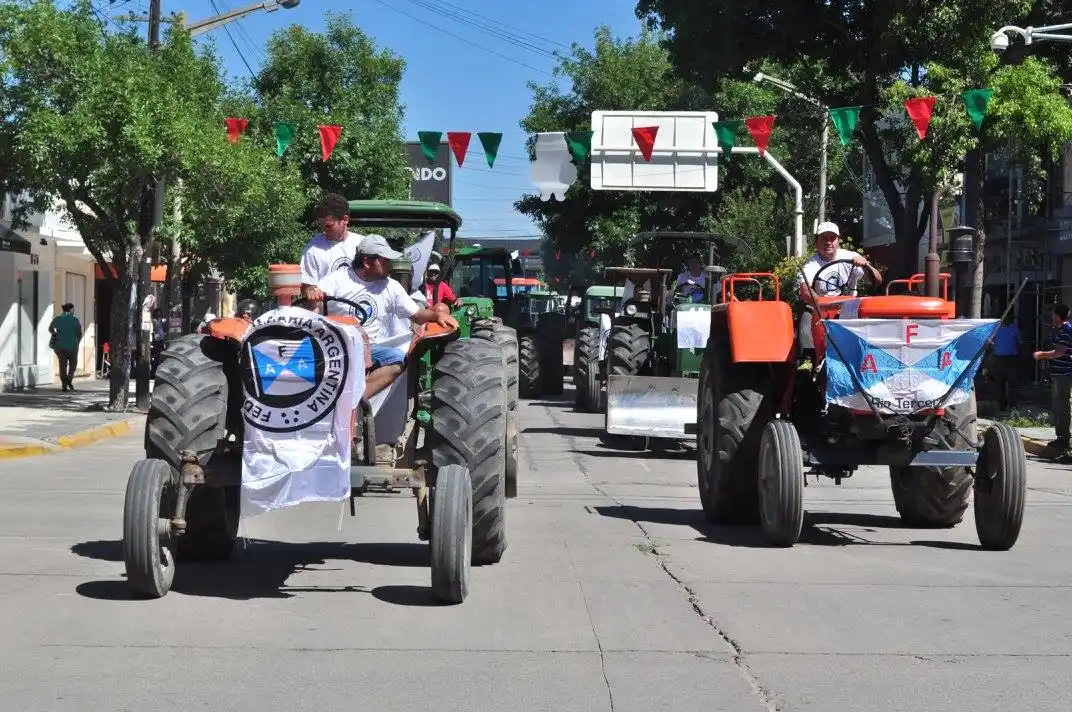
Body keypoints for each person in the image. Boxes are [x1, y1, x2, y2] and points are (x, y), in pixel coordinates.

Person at [314, 235, 459, 401]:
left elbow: (417, 315)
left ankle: (353, 403)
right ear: (368, 262)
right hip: (337, 347)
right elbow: (311, 311)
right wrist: (312, 297)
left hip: (372, 348)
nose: (390, 265)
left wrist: (437, 315)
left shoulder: (390, 286)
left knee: (397, 360)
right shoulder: (334, 281)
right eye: (385, 261)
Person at [794, 221, 882, 356]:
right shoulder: (811, 265)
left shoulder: (850, 257)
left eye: (832, 238)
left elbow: (878, 280)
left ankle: (873, 354)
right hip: (822, 307)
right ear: (817, 242)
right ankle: (808, 357)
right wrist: (821, 304)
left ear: (838, 241)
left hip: (851, 307)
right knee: (806, 315)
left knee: (870, 312)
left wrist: (866, 266)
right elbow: (806, 291)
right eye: (823, 238)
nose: (828, 242)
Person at [300, 192, 364, 301]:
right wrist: (310, 290)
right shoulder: (313, 249)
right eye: (322, 225)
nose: (324, 230)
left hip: (359, 310)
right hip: (326, 314)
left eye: (329, 226)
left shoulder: (363, 244)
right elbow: (307, 285)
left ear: (345, 219)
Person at [1034, 304, 1072, 458]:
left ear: (1058, 316)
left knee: (1062, 405)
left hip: (1064, 374)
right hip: (1059, 374)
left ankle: (1064, 439)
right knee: (1058, 405)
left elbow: (1059, 352)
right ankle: (1061, 437)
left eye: (1053, 314)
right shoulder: (1061, 330)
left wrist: (1042, 354)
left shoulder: (1066, 330)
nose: (1051, 317)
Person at [49, 303, 83, 392]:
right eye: (73, 309)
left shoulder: (57, 319)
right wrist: (77, 341)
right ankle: (69, 379)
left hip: (59, 346)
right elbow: (79, 333)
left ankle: (64, 385)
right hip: (72, 346)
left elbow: (50, 328)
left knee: (62, 366)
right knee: (73, 365)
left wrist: (55, 334)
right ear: (71, 310)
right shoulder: (75, 320)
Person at [990, 315, 1021, 411]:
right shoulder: (996, 329)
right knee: (999, 383)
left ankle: (1013, 406)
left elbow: (1019, 343)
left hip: (1011, 359)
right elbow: (990, 342)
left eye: (1009, 318)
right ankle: (1001, 405)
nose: (1007, 320)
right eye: (1005, 318)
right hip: (999, 359)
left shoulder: (1014, 329)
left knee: (1012, 383)